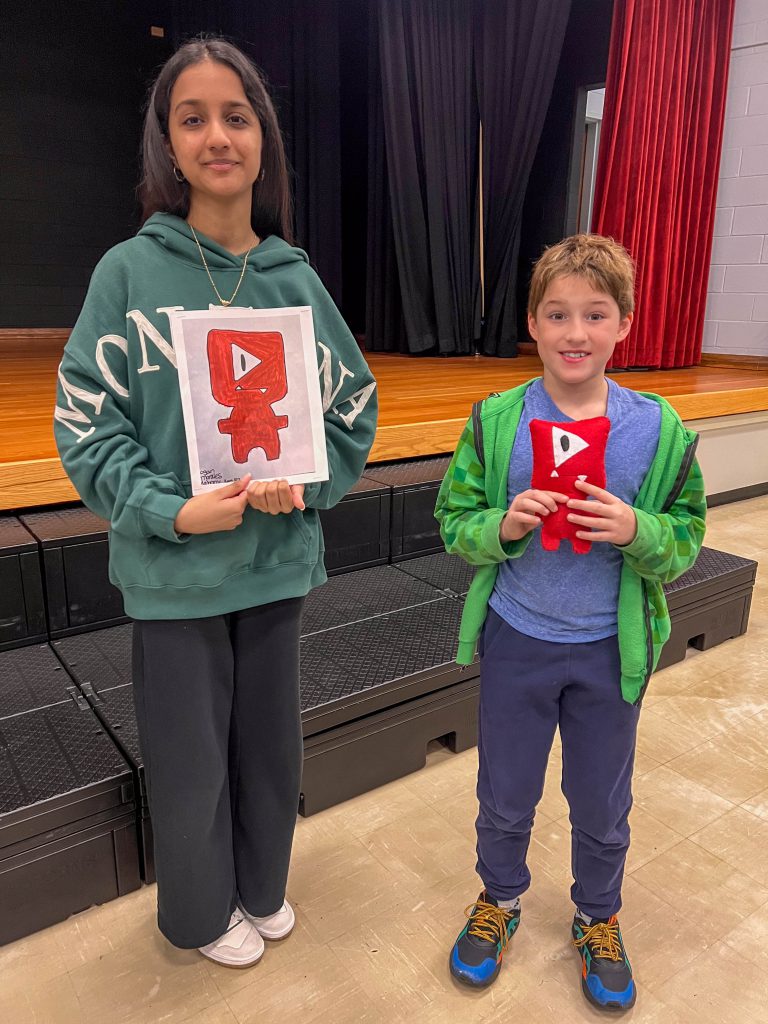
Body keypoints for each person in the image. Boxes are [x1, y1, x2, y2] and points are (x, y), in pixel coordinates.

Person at [53, 37, 377, 968]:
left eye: (236, 116)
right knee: (191, 765)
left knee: (271, 752)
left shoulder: (293, 280)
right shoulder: (128, 273)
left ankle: (263, 887)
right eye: (192, 118)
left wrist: (306, 484)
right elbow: (85, 421)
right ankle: (198, 917)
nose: (216, 135)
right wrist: (168, 509)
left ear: (263, 137)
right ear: (167, 141)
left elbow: (350, 406)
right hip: (176, 572)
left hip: (275, 564)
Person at [434, 234, 705, 1011]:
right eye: (557, 314)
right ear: (533, 322)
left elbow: (686, 537)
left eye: (595, 313)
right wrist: (502, 526)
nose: (575, 332)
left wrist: (637, 531)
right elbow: (454, 519)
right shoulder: (496, 421)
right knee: (505, 789)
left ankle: (598, 914)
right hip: (518, 638)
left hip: (608, 651)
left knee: (600, 796)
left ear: (624, 322)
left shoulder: (660, 431)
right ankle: (500, 897)